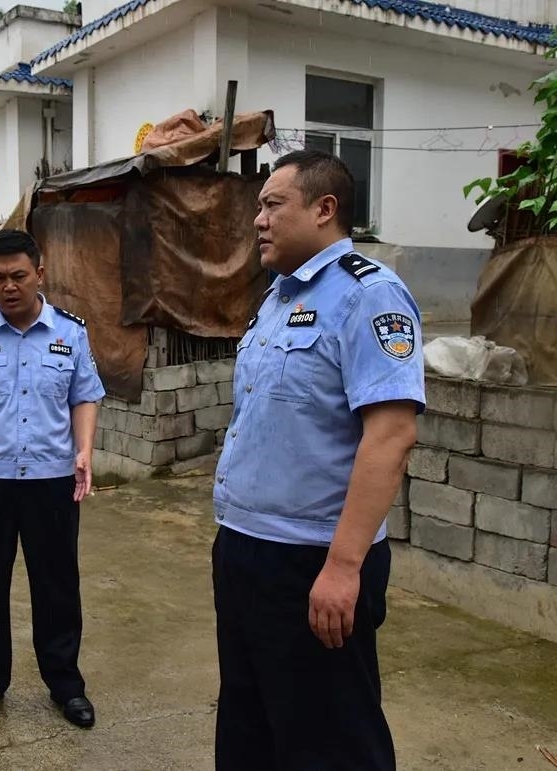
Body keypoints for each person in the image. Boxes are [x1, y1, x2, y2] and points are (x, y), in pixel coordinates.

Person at [212, 150, 425, 770]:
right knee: (249, 726)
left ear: (324, 209)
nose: (258, 220)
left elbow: (390, 436)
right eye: (259, 208)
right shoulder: (277, 299)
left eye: (273, 205)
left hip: (313, 560)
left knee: (330, 740)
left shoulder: (370, 296)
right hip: (245, 549)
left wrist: (342, 567)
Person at [0, 229, 105, 729]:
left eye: (18, 276)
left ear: (40, 274)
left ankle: (66, 685)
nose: (8, 287)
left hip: (53, 479)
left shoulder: (70, 332)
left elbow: (85, 396)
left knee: (57, 584)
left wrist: (85, 451)